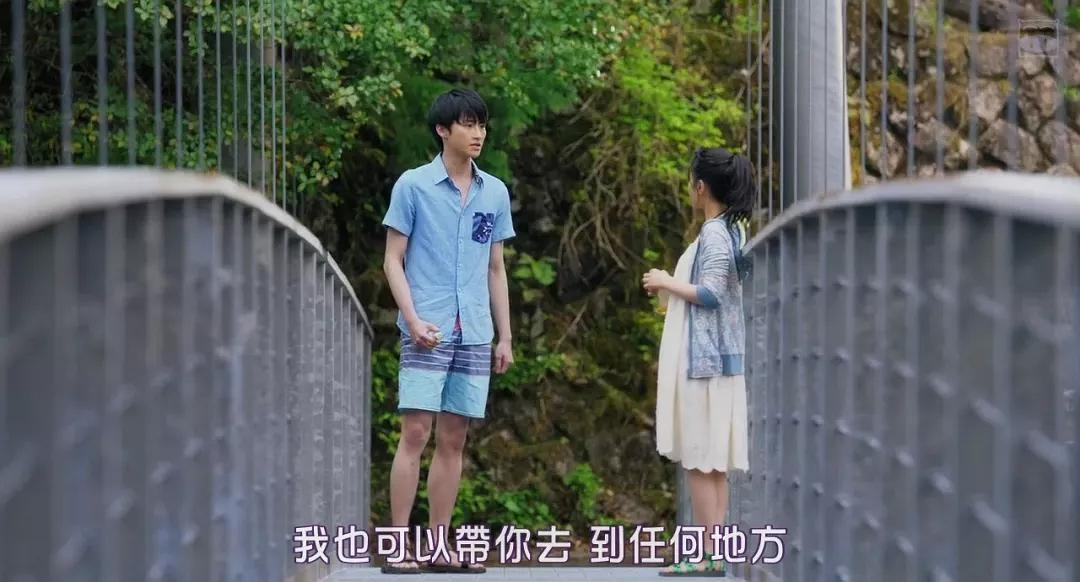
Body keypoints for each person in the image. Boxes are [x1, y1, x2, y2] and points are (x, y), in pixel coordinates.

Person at [380, 88, 515, 574]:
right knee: (415, 432)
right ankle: (398, 545)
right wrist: (413, 319)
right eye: (468, 124)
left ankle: (439, 546)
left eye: (482, 124)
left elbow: (495, 267)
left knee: (454, 439)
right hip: (428, 325)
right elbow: (392, 260)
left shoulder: (494, 192)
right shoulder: (413, 186)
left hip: (474, 328)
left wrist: (505, 336)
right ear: (443, 130)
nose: (478, 133)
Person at [642, 147, 754, 578]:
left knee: (698, 458)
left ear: (701, 187)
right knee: (711, 462)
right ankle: (713, 552)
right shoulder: (731, 231)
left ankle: (705, 555)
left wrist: (665, 281)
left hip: (703, 362)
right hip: (717, 359)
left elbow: (710, 293)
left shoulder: (714, 234)